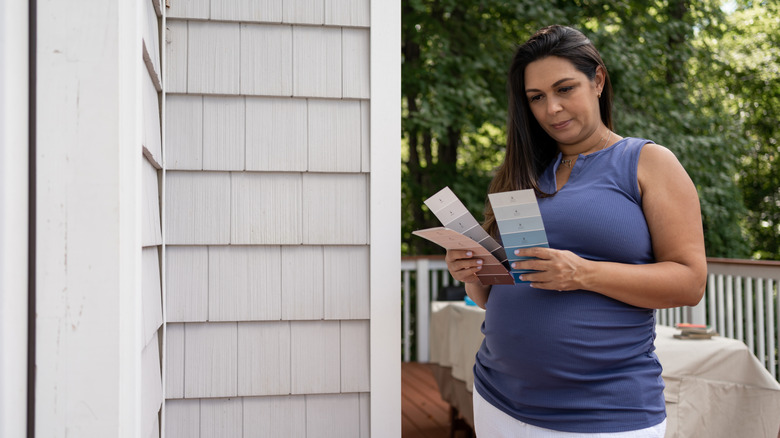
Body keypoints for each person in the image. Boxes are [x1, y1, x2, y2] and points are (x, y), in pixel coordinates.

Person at [445, 25, 707, 437]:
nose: (552, 108)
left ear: (598, 80)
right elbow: (496, 295)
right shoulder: (520, 175)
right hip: (498, 400)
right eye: (537, 98)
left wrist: (583, 273)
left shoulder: (648, 163)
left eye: (564, 89)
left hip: (602, 414)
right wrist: (474, 273)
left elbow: (690, 283)